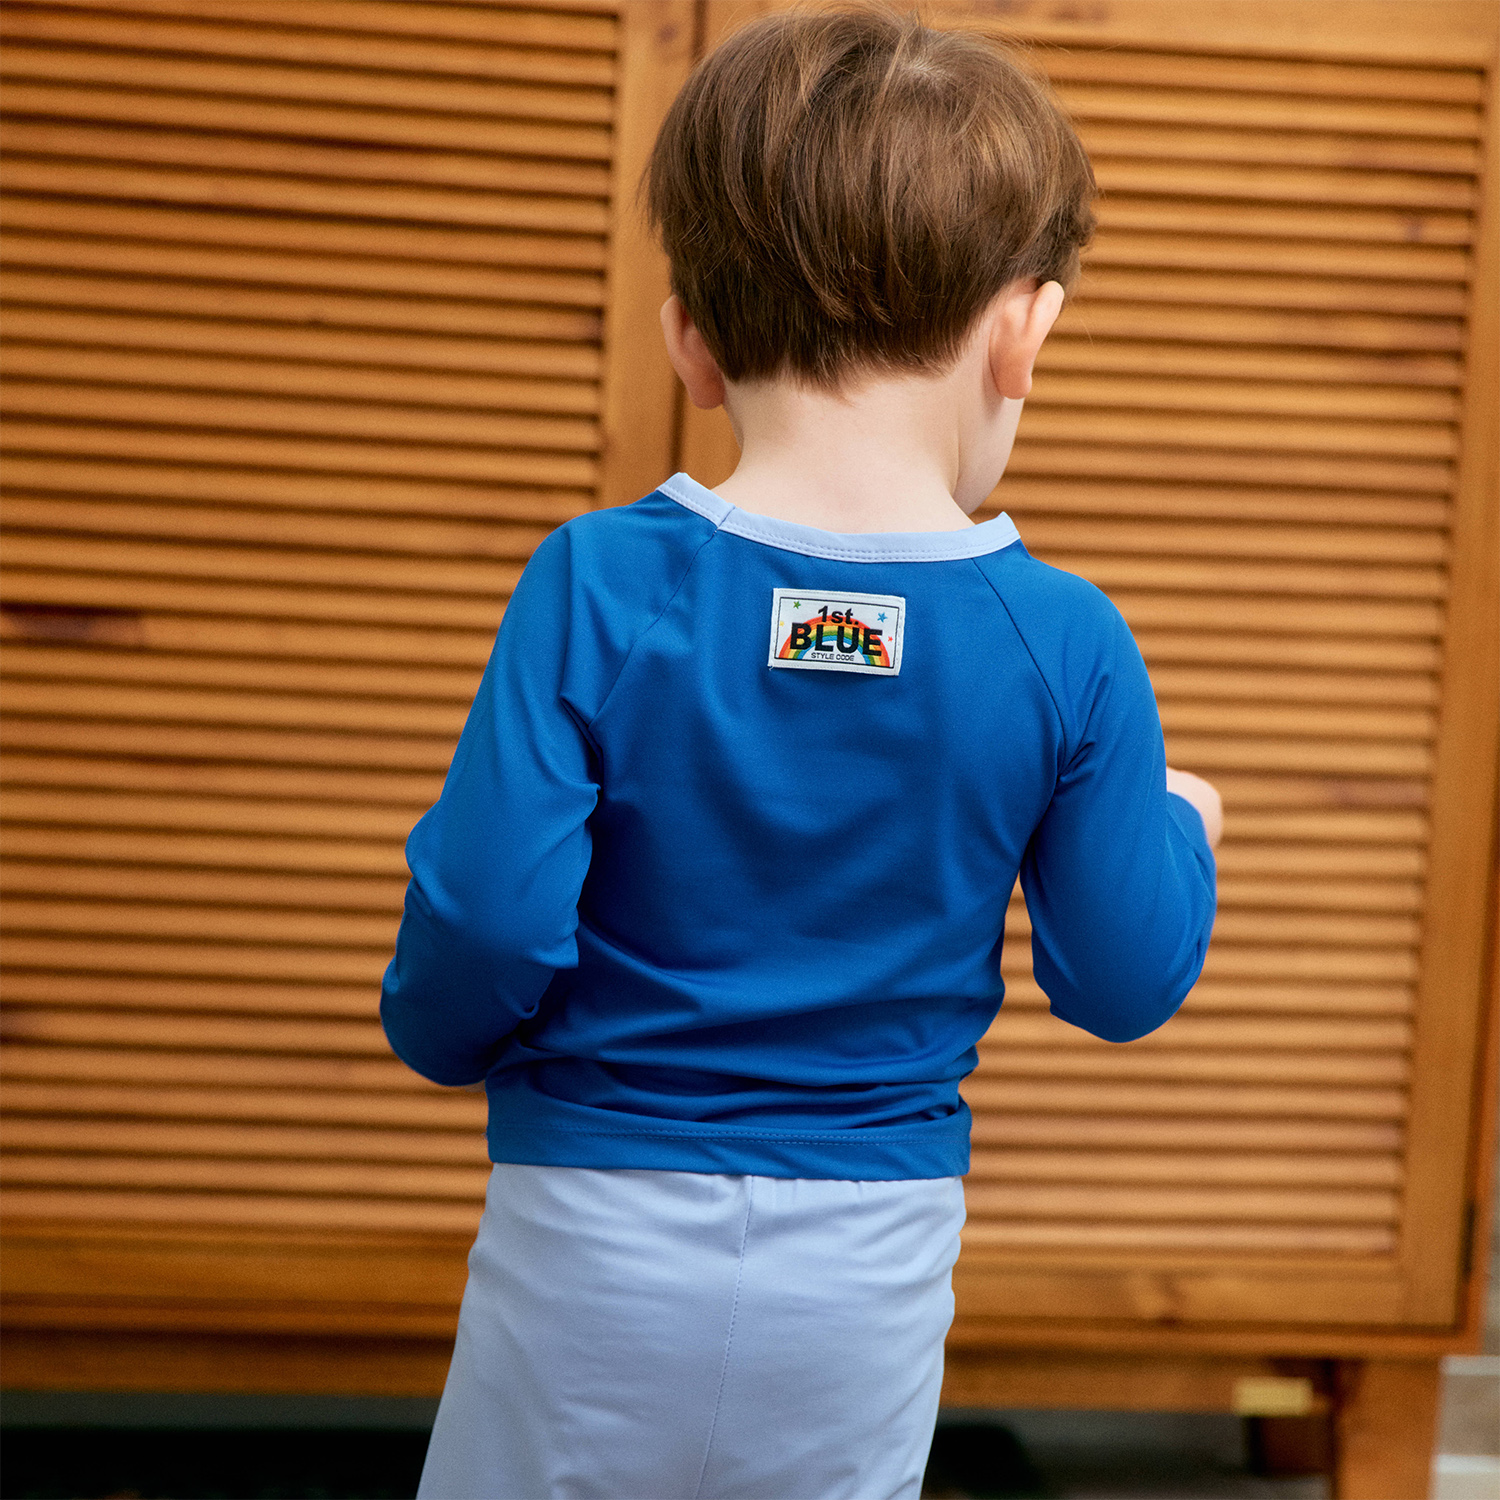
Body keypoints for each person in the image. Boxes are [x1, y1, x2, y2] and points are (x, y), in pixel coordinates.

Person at [382, 6, 1221, 1497]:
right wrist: (1182, 828)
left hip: (590, 1230)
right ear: (1024, 332)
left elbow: (491, 921)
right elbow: (1121, 978)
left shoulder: (598, 586)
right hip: (867, 1263)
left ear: (691, 343)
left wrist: (438, 1039)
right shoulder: (1064, 640)